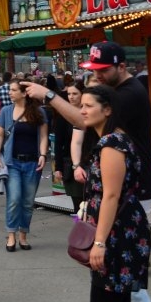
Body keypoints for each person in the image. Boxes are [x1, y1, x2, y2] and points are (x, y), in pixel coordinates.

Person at [27, 41, 151, 302]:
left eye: (103, 70)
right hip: (120, 214)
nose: (97, 74)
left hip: (123, 215)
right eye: (94, 69)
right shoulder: (111, 131)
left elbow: (112, 195)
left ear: (121, 66)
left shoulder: (123, 109)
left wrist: (49, 95)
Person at [81, 84, 151, 302]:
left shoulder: (112, 143)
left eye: (88, 106)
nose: (83, 111)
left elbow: (111, 195)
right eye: (81, 106)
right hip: (120, 228)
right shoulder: (114, 138)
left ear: (107, 110)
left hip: (118, 232)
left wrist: (99, 243)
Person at [0, 80, 48, 251]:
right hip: (12, 162)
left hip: (33, 162)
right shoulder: (6, 111)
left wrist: (43, 154)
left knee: (28, 201)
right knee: (14, 199)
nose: (10, 92)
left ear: (24, 93)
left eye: (14, 90)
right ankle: (11, 235)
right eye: (10, 90)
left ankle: (23, 234)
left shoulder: (39, 112)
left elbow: (44, 136)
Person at [53, 81, 86, 213]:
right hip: (70, 164)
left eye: (75, 94)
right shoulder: (63, 116)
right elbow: (58, 142)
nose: (71, 97)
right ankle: (79, 225)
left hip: (89, 161)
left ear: (82, 94)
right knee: (78, 206)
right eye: (69, 94)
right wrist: (58, 167)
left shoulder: (89, 112)